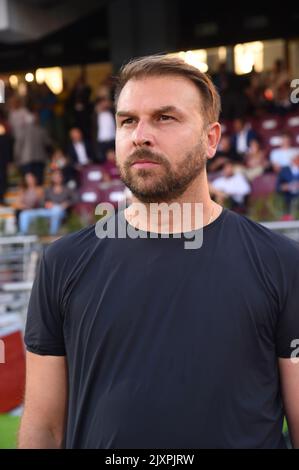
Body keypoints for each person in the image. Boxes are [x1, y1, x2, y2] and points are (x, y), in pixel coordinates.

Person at [19, 55, 299, 449]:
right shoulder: (62, 264)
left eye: (166, 118)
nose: (140, 135)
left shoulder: (282, 263)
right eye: (127, 120)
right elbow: (45, 430)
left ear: (211, 139)